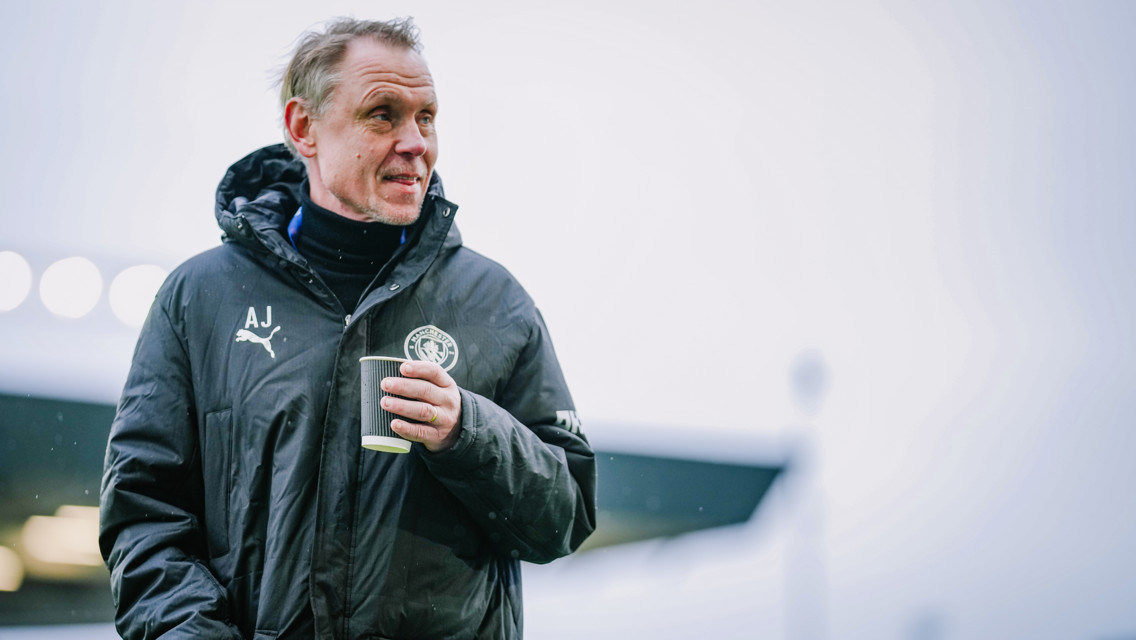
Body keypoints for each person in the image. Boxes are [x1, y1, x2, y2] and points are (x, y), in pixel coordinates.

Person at [99, 17, 596, 640]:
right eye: (383, 115)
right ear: (303, 128)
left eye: (427, 117)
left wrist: (469, 433)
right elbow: (145, 515)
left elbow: (563, 520)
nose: (415, 142)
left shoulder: (495, 304)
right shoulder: (201, 298)